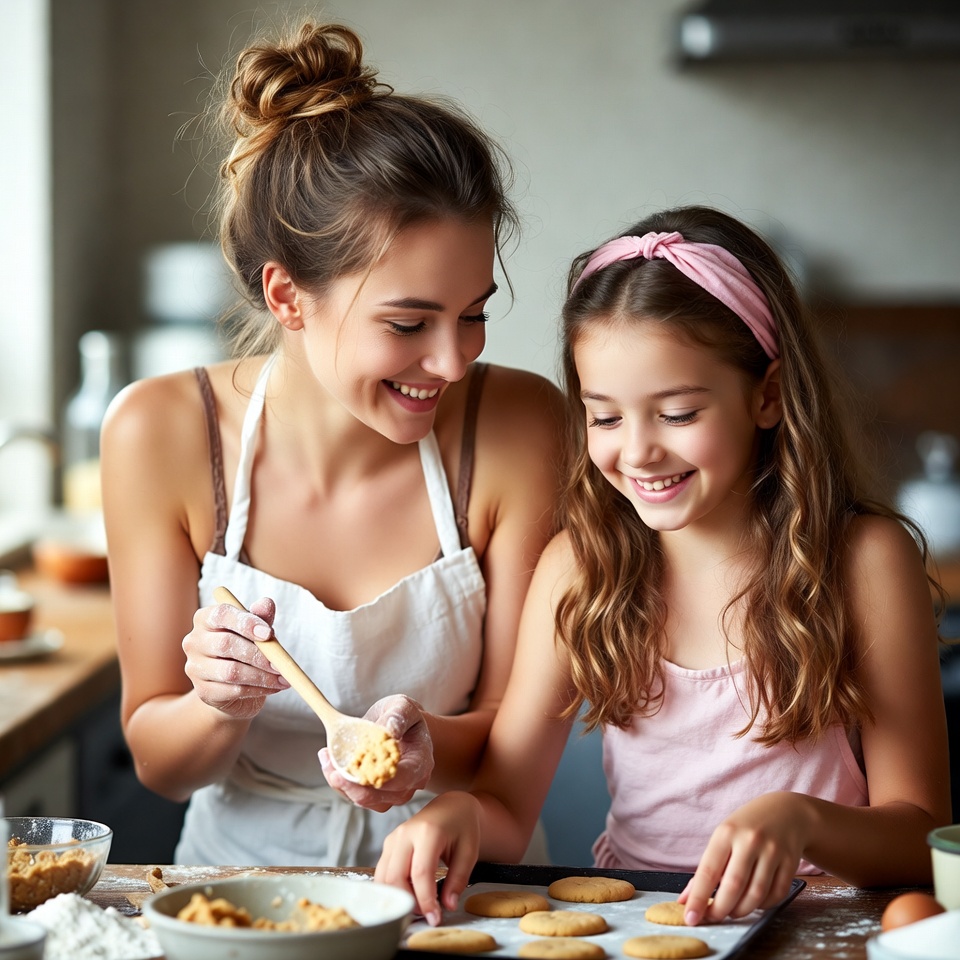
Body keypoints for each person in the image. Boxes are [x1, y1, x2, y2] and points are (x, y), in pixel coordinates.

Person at [375, 205, 952, 925]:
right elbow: (507, 806)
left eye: (677, 414)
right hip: (636, 927)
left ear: (767, 396)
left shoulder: (863, 562)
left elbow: (924, 838)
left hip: (818, 931)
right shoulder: (579, 569)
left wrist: (802, 820)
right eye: (606, 418)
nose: (639, 452)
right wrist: (456, 815)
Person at [100, 20, 564, 867]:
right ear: (287, 296)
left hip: (461, 876)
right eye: (408, 322)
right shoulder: (160, 435)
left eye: (473, 314)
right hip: (242, 888)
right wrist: (216, 705)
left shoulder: (522, 427)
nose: (453, 359)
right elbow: (159, 761)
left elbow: (511, 733)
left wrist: (425, 751)